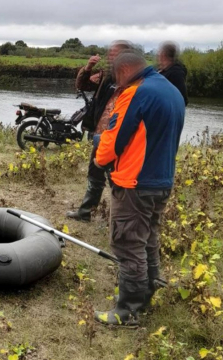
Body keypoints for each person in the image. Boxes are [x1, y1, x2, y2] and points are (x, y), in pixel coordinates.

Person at [92, 50, 185, 326]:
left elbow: (113, 141)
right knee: (148, 237)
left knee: (127, 242)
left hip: (134, 182)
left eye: (117, 81)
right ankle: (150, 286)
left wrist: (98, 151)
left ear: (123, 72)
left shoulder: (135, 92)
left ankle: (128, 311)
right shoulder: (172, 91)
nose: (118, 87)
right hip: (162, 180)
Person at [66, 40, 134, 222]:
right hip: (100, 136)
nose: (110, 56)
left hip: (118, 138)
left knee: (116, 178)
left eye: (115, 53)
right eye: (110, 52)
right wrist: (88, 67)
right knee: (94, 174)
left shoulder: (134, 80)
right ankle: (85, 212)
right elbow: (82, 85)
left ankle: (122, 218)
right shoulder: (107, 76)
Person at [157, 41, 189, 106]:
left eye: (159, 54)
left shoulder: (176, 73)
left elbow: (182, 98)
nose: (158, 57)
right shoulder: (160, 71)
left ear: (164, 55)